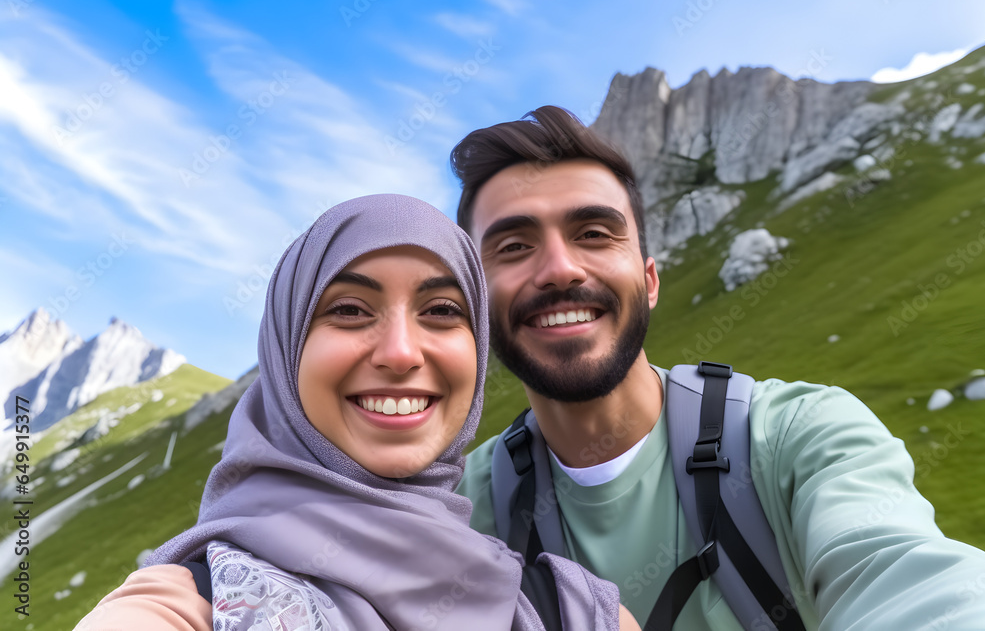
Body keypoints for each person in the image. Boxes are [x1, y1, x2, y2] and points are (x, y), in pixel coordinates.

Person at [451, 106, 985, 630]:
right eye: (514, 245)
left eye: (594, 234)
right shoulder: (458, 507)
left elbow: (904, 577)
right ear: (475, 303)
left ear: (650, 281)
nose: (560, 269)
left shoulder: (800, 436)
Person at [76, 194, 640, 630]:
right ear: (287, 348)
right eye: (349, 309)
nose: (399, 352)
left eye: (442, 310)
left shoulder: (578, 613)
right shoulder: (189, 604)